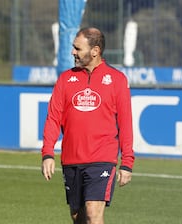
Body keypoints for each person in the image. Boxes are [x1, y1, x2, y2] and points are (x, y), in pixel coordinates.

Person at [41, 27, 135, 224]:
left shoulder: (117, 80)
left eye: (77, 48)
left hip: (102, 157)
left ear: (95, 51)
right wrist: (48, 153)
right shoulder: (65, 79)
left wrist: (127, 162)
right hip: (71, 158)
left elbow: (125, 123)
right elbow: (53, 118)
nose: (73, 52)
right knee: (78, 216)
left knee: (93, 213)